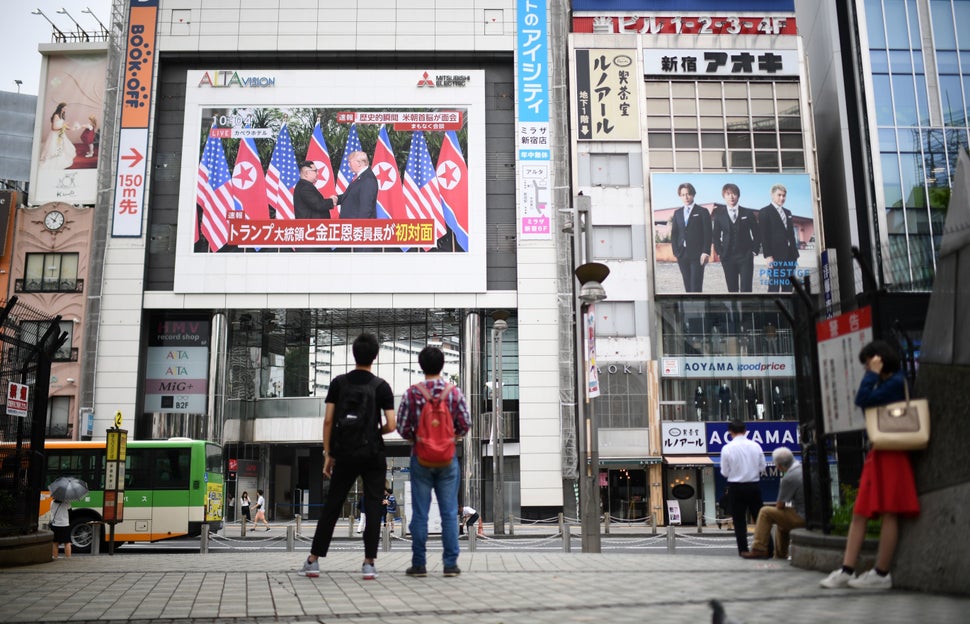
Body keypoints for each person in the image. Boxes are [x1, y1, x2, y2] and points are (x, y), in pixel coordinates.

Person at [821, 340, 920, 590]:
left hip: (893, 452)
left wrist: (873, 374)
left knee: (889, 512)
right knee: (860, 512)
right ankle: (847, 569)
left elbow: (863, 399)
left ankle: (881, 572)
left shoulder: (896, 382)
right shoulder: (889, 383)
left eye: (868, 362)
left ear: (880, 359)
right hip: (881, 452)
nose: (867, 367)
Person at [298, 333, 396, 580]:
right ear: (375, 356)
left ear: (354, 354)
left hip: (345, 453)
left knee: (333, 505)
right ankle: (369, 564)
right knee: (374, 505)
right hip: (373, 453)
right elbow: (392, 424)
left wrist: (328, 453)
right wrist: (375, 431)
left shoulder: (338, 383)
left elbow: (329, 420)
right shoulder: (381, 386)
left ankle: (313, 561)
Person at [396, 346, 471, 578]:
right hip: (448, 459)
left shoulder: (412, 393)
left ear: (421, 365)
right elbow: (465, 424)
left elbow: (402, 427)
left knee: (420, 513)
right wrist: (449, 437)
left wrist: (419, 440)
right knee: (449, 512)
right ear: (442, 365)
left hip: (421, 457)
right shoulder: (453, 392)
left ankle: (419, 564)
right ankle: (450, 565)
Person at [741, 446, 805, 559]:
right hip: (813, 516)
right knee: (782, 522)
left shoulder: (789, 478)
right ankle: (780, 555)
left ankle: (758, 548)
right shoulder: (803, 470)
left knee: (765, 511)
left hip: (802, 517)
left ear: (779, 466)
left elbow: (780, 506)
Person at [720, 420, 766, 556]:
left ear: (730, 432)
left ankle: (743, 550)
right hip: (753, 485)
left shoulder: (727, 448)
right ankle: (767, 547)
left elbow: (724, 472)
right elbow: (763, 467)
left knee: (739, 521)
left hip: (736, 486)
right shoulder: (755, 446)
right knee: (761, 519)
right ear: (745, 431)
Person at [711, 183, 760, 292]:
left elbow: (757, 233)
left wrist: (754, 251)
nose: (731, 197)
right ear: (724, 196)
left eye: (734, 194)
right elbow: (715, 236)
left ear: (738, 196)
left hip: (745, 256)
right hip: (727, 257)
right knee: (732, 289)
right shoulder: (719, 215)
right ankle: (734, 310)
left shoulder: (748, 213)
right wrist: (719, 252)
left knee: (746, 289)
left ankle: (746, 309)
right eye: (728, 194)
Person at [668, 182, 712, 292]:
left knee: (696, 286)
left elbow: (708, 233)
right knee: (687, 287)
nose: (686, 197)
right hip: (682, 254)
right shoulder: (677, 213)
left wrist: (706, 252)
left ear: (693, 194)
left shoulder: (702, 211)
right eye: (683, 195)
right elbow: (674, 234)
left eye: (688, 194)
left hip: (697, 255)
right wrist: (676, 251)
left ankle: (698, 308)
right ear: (680, 196)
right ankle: (689, 308)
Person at [759, 184, 800, 293]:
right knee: (774, 286)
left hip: (790, 256)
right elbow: (764, 236)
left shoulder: (788, 212)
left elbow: (791, 234)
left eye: (784, 195)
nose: (782, 198)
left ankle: (786, 309)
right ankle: (773, 309)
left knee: (788, 286)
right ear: (772, 195)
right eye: (779, 195)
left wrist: (795, 254)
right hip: (775, 256)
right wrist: (768, 256)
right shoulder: (765, 212)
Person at [328, 151, 378, 219]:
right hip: (350, 225)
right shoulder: (361, 177)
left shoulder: (368, 179)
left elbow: (365, 208)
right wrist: (337, 199)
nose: (348, 165)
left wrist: (358, 225)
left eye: (350, 162)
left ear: (359, 163)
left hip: (357, 226)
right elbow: (352, 195)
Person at [40, 102, 76, 170]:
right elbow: (53, 128)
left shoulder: (62, 115)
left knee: (63, 146)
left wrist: (71, 128)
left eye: (66, 108)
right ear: (61, 108)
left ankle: (60, 155)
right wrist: (62, 127)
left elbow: (63, 124)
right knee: (54, 147)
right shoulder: (56, 115)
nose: (65, 109)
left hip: (61, 134)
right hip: (55, 135)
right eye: (64, 108)